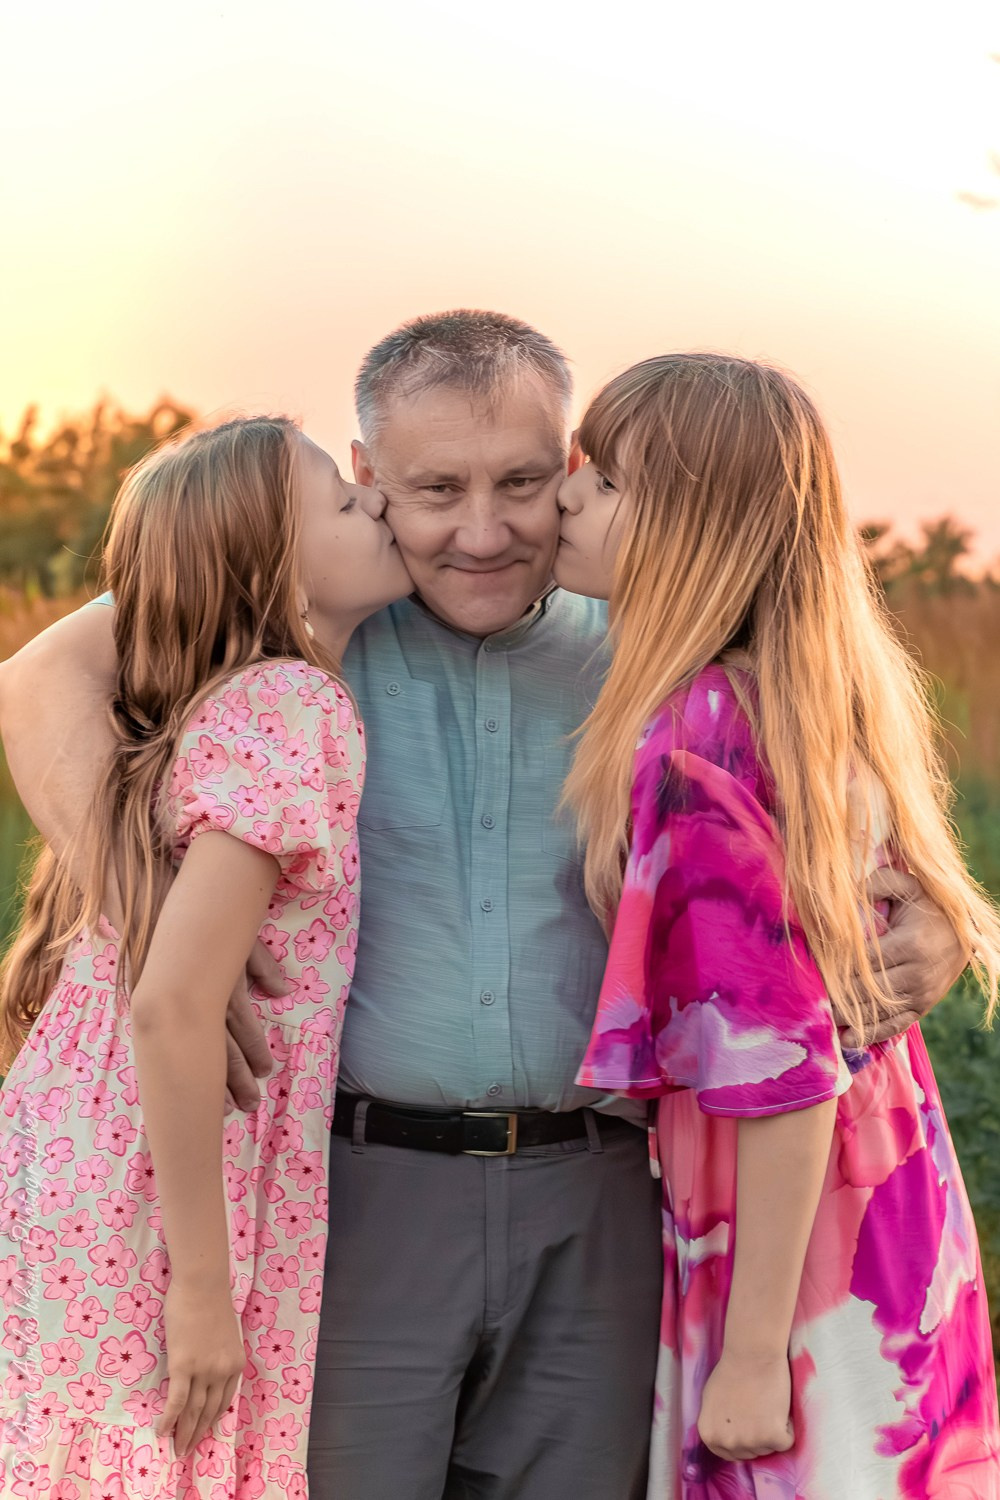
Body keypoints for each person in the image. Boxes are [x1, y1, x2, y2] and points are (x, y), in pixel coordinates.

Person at [0, 314, 970, 1500]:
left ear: (571, 470)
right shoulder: (304, 629)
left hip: (600, 1193)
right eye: (434, 489)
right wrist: (155, 933)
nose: (481, 530)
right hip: (362, 1195)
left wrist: (933, 918)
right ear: (367, 481)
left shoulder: (656, 642)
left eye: (520, 482)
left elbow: (822, 790)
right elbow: (41, 677)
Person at [557, 353, 1000, 1498]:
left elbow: (784, 1072)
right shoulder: (794, 702)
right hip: (881, 1213)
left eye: (602, 481)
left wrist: (752, 1359)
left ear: (689, 527)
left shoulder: (703, 729)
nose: (567, 497)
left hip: (794, 1255)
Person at [0, 417, 412, 1498]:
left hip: (95, 1163)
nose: (372, 501)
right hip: (166, 1186)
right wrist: (203, 1285)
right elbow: (173, 1008)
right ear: (272, 571)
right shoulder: (292, 703)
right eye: (339, 498)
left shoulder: (222, 700)